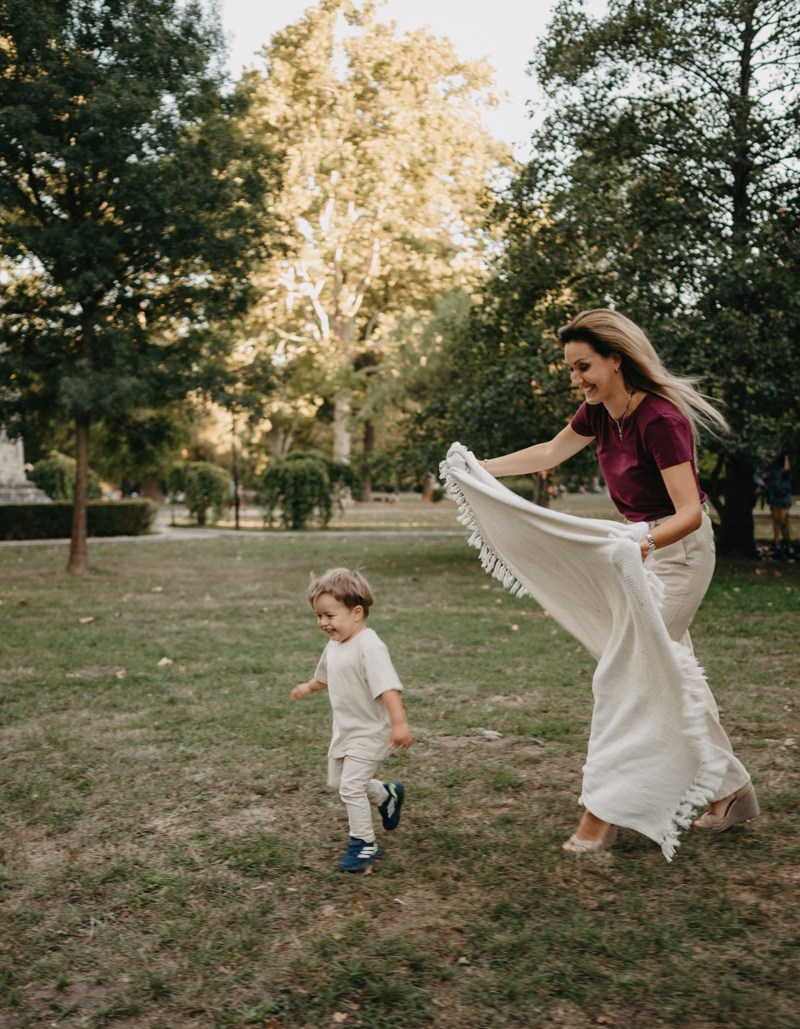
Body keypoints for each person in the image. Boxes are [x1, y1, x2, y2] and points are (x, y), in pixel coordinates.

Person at [481, 308, 758, 853]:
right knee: (673, 674)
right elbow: (549, 454)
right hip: (640, 552)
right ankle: (734, 790)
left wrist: (645, 544)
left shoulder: (661, 420)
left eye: (584, 366)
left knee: (629, 675)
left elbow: (690, 513)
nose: (576, 379)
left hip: (677, 555)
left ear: (616, 359)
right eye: (570, 370)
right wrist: (478, 468)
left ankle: (602, 814)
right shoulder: (599, 413)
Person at [291, 567, 413, 872]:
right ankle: (388, 795)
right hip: (345, 730)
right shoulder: (335, 646)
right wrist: (308, 687)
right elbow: (325, 677)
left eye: (329, 615)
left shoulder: (369, 646)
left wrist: (398, 723)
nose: (322, 623)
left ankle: (363, 845)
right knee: (340, 782)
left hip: (371, 731)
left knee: (350, 787)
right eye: (318, 616)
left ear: (356, 612)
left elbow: (388, 687)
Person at [766, 452, 792, 559]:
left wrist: (786, 457)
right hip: (775, 498)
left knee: (783, 520)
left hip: (783, 498)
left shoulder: (785, 472)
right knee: (776, 520)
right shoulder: (775, 472)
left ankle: (786, 541)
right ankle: (776, 540)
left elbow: (787, 469)